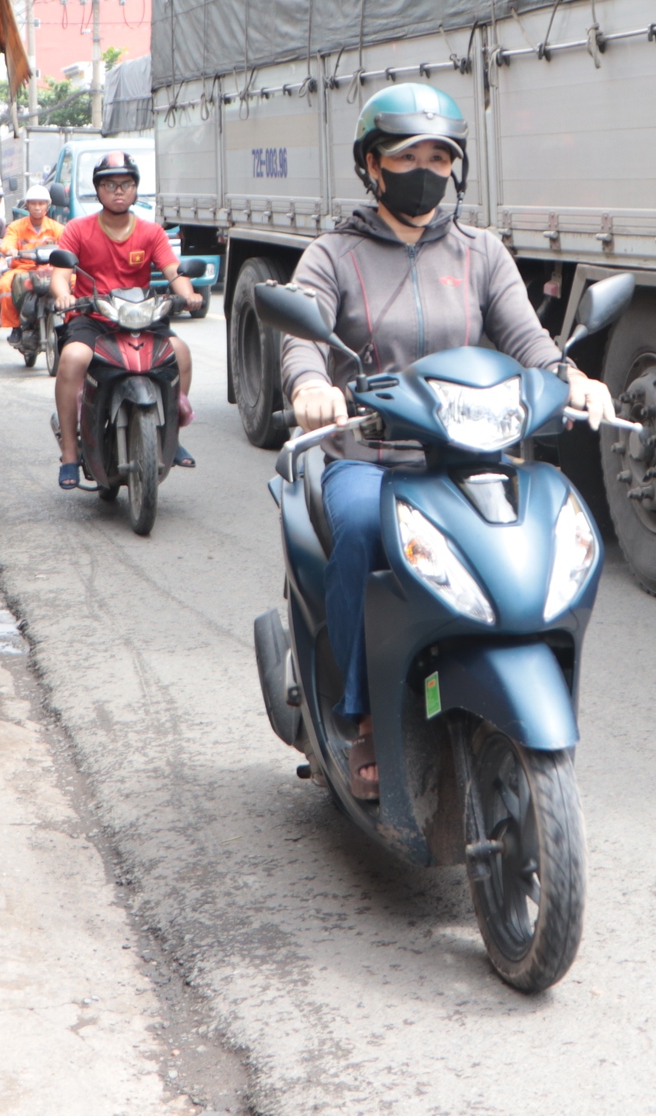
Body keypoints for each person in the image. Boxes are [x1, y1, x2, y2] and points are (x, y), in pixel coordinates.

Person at [279, 85, 615, 800]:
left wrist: (572, 377)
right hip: (370, 455)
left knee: (544, 522)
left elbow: (529, 341)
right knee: (367, 527)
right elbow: (302, 336)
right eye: (407, 155)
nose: (424, 169)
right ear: (372, 165)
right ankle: (359, 710)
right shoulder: (333, 253)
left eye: (439, 155)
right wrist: (312, 386)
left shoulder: (481, 252)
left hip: (470, 454)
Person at [51, 150, 205, 487]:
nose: (118, 191)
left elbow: (173, 271)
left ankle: (172, 434)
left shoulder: (151, 232)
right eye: (109, 184)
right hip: (93, 315)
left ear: (136, 189)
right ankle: (69, 452)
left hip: (141, 315)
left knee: (180, 353)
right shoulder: (78, 229)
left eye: (126, 184)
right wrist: (63, 292)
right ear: (98, 190)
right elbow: (61, 273)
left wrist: (189, 293)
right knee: (73, 357)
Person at [3, 182, 63, 331]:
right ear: (27, 205)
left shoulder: (58, 228)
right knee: (4, 286)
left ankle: (70, 323)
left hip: (50, 269)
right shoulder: (16, 226)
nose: (37, 207)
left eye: (41, 204)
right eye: (33, 203)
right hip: (23, 268)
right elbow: (7, 242)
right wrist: (10, 250)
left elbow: (68, 245)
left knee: (75, 283)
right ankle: (15, 327)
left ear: (47, 206)